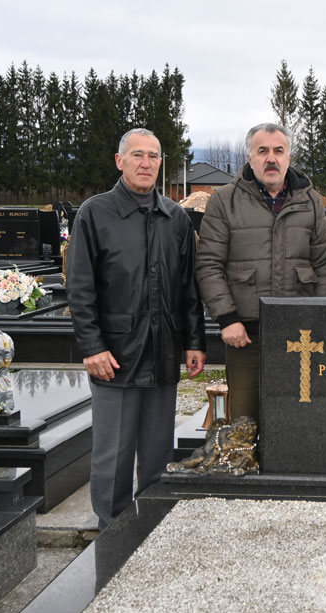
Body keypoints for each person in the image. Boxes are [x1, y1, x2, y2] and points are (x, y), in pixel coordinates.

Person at [67, 128, 206, 530]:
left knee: (158, 450)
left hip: (162, 350)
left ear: (161, 163)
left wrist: (194, 342)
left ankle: (151, 525)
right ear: (120, 161)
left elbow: (188, 286)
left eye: (154, 156)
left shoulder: (175, 217)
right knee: (113, 452)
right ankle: (111, 529)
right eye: (138, 155)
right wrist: (92, 346)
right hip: (115, 353)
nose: (146, 163)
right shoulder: (95, 213)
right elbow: (80, 286)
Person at [196, 122, 326, 420]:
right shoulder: (225, 201)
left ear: (289, 157)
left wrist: (322, 318)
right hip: (245, 334)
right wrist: (227, 319)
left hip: (300, 332)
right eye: (262, 151)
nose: (271, 158)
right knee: (244, 421)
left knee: (296, 418)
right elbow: (209, 264)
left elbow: (324, 263)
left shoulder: (310, 200)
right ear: (250, 157)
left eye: (278, 151)